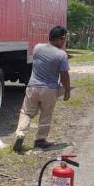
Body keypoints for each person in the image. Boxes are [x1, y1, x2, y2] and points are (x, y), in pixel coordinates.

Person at [13, 25, 71, 153]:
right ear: (60, 39)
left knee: (26, 112)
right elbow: (64, 76)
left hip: (33, 87)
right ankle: (40, 140)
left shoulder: (38, 48)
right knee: (46, 115)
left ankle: (20, 134)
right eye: (64, 39)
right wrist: (67, 90)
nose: (64, 41)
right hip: (49, 90)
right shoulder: (62, 55)